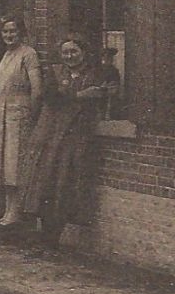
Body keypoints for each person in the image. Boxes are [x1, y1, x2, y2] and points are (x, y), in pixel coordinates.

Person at [17, 35, 111, 249]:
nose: (70, 56)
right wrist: (80, 95)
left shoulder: (94, 73)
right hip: (52, 135)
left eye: (74, 52)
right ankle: (43, 233)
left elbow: (100, 94)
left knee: (64, 184)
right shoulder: (55, 72)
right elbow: (50, 96)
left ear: (83, 52)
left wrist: (74, 95)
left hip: (75, 136)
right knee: (45, 182)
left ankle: (53, 236)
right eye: (66, 52)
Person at [0, 15, 44, 227]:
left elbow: (36, 89)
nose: (8, 35)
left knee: (16, 163)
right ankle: (9, 210)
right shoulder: (6, 55)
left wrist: (32, 116)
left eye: (13, 31)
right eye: (5, 32)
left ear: (21, 33)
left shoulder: (29, 54)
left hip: (20, 114)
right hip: (3, 113)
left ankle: (16, 212)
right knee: (4, 163)